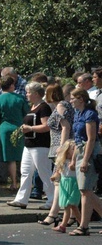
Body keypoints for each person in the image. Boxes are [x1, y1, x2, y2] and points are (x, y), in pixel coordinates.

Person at [6, 82, 54, 209]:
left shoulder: (44, 107)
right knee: (26, 172)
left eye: (29, 92)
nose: (26, 94)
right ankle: (21, 199)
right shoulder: (32, 106)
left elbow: (47, 126)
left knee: (44, 172)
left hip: (41, 145)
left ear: (37, 94)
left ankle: (53, 201)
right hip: (29, 145)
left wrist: (30, 128)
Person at [68, 88, 102, 236]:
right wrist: (75, 159)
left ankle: (84, 226)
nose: (70, 101)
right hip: (80, 151)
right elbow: (77, 140)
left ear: (81, 99)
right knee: (85, 190)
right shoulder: (77, 114)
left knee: (85, 190)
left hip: (90, 152)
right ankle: (84, 225)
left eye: (72, 98)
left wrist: (85, 160)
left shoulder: (90, 114)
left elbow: (91, 139)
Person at [39, 84, 74, 226]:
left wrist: (62, 147)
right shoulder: (62, 105)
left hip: (61, 147)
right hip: (60, 147)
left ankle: (53, 214)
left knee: (59, 180)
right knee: (61, 181)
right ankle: (70, 215)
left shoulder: (61, 106)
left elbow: (65, 126)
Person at [0, 77, 29, 190]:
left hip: (4, 129)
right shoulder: (21, 98)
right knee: (24, 156)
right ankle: (24, 182)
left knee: (10, 158)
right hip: (20, 127)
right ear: (12, 86)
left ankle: (13, 182)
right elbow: (27, 114)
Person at [50, 140, 81, 233]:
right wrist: (54, 177)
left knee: (70, 205)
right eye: (73, 149)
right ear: (67, 150)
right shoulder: (63, 161)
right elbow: (58, 172)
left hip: (73, 184)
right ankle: (82, 223)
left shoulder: (75, 162)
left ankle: (63, 225)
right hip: (64, 184)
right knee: (71, 206)